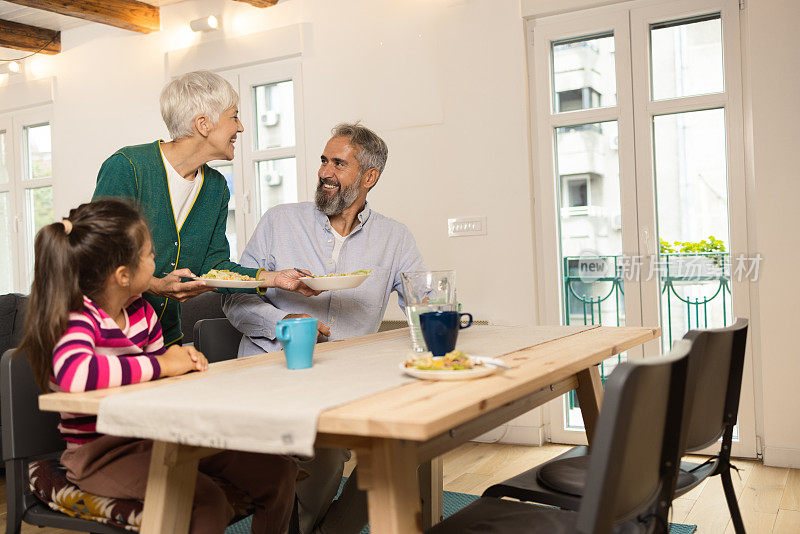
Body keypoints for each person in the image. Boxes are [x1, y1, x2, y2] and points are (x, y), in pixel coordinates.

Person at [18, 199, 297, 534]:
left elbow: (160, 378)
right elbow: (75, 375)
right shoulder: (77, 318)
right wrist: (163, 364)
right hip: (98, 455)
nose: (157, 262)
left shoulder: (142, 314)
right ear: (123, 275)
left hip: (158, 438)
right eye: (150, 255)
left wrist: (184, 368)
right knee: (206, 502)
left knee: (278, 472)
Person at [223, 123, 426, 533]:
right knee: (327, 452)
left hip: (345, 385)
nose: (324, 172)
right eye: (323, 160)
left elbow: (423, 308)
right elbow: (235, 296)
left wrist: (438, 319)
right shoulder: (279, 221)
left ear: (369, 177)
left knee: (403, 449)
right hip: (270, 375)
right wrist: (285, 322)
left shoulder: (395, 238)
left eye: (339, 163)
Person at [93, 70, 315, 347]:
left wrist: (276, 278)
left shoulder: (215, 187)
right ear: (203, 123)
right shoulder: (128, 167)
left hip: (164, 340)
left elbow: (214, 267)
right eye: (234, 116)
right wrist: (154, 284)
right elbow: (97, 256)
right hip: (107, 337)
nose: (241, 127)